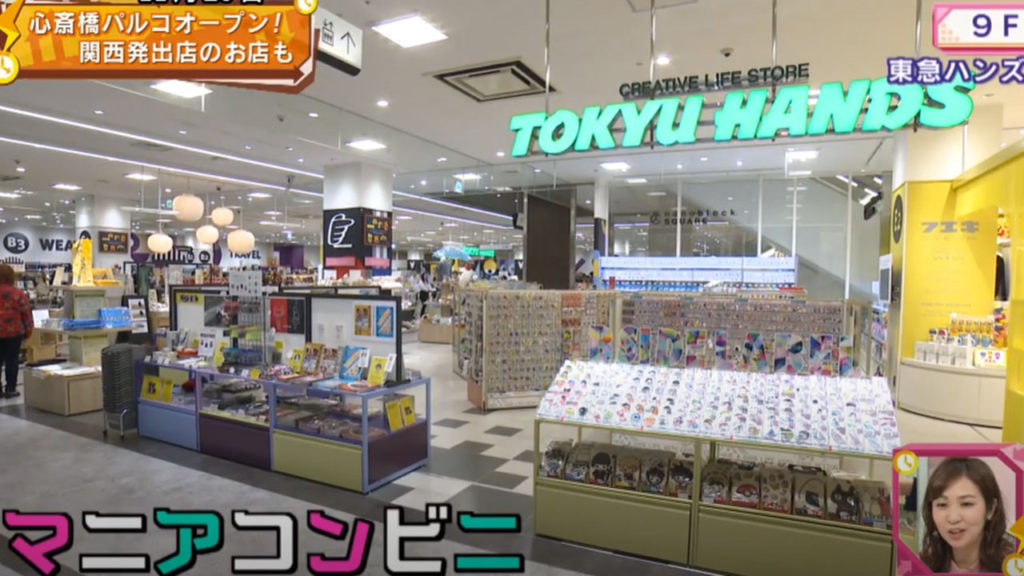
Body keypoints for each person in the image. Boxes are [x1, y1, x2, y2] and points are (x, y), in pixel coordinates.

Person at [921, 457, 1015, 573]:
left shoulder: (1014, 565)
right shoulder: (919, 566)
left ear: (990, 509)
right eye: (942, 504)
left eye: (966, 504)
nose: (953, 518)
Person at [0, 264, 31, 399]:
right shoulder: (18, 294)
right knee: (12, 361)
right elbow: (26, 313)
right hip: (14, 332)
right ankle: (10, 389)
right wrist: (28, 329)